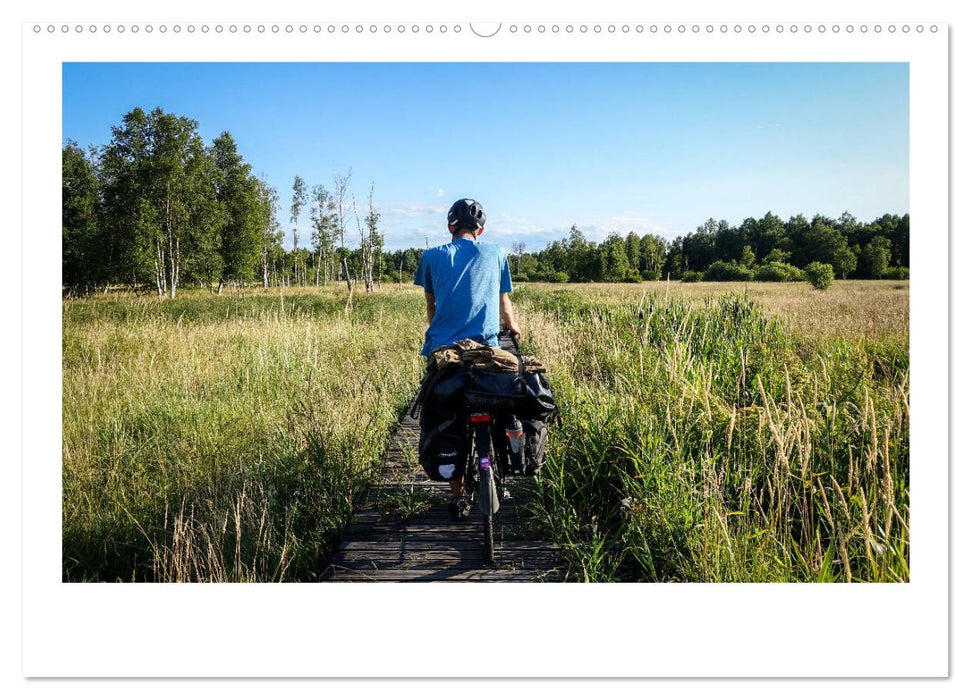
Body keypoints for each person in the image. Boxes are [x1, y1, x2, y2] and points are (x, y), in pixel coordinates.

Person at [414, 198, 521, 519]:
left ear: (449, 227)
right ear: (482, 229)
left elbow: (432, 307)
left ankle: (458, 494)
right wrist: (512, 326)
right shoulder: (497, 252)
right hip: (487, 350)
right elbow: (504, 303)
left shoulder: (431, 257)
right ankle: (503, 463)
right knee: (502, 400)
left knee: (448, 417)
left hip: (445, 353)